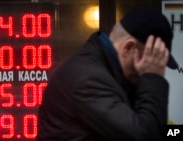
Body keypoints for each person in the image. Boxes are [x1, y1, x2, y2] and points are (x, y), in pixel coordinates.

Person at [37, 8, 178, 141]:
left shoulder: (108, 71)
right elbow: (145, 136)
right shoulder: (88, 80)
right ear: (128, 48)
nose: (150, 68)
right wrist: (152, 77)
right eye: (150, 60)